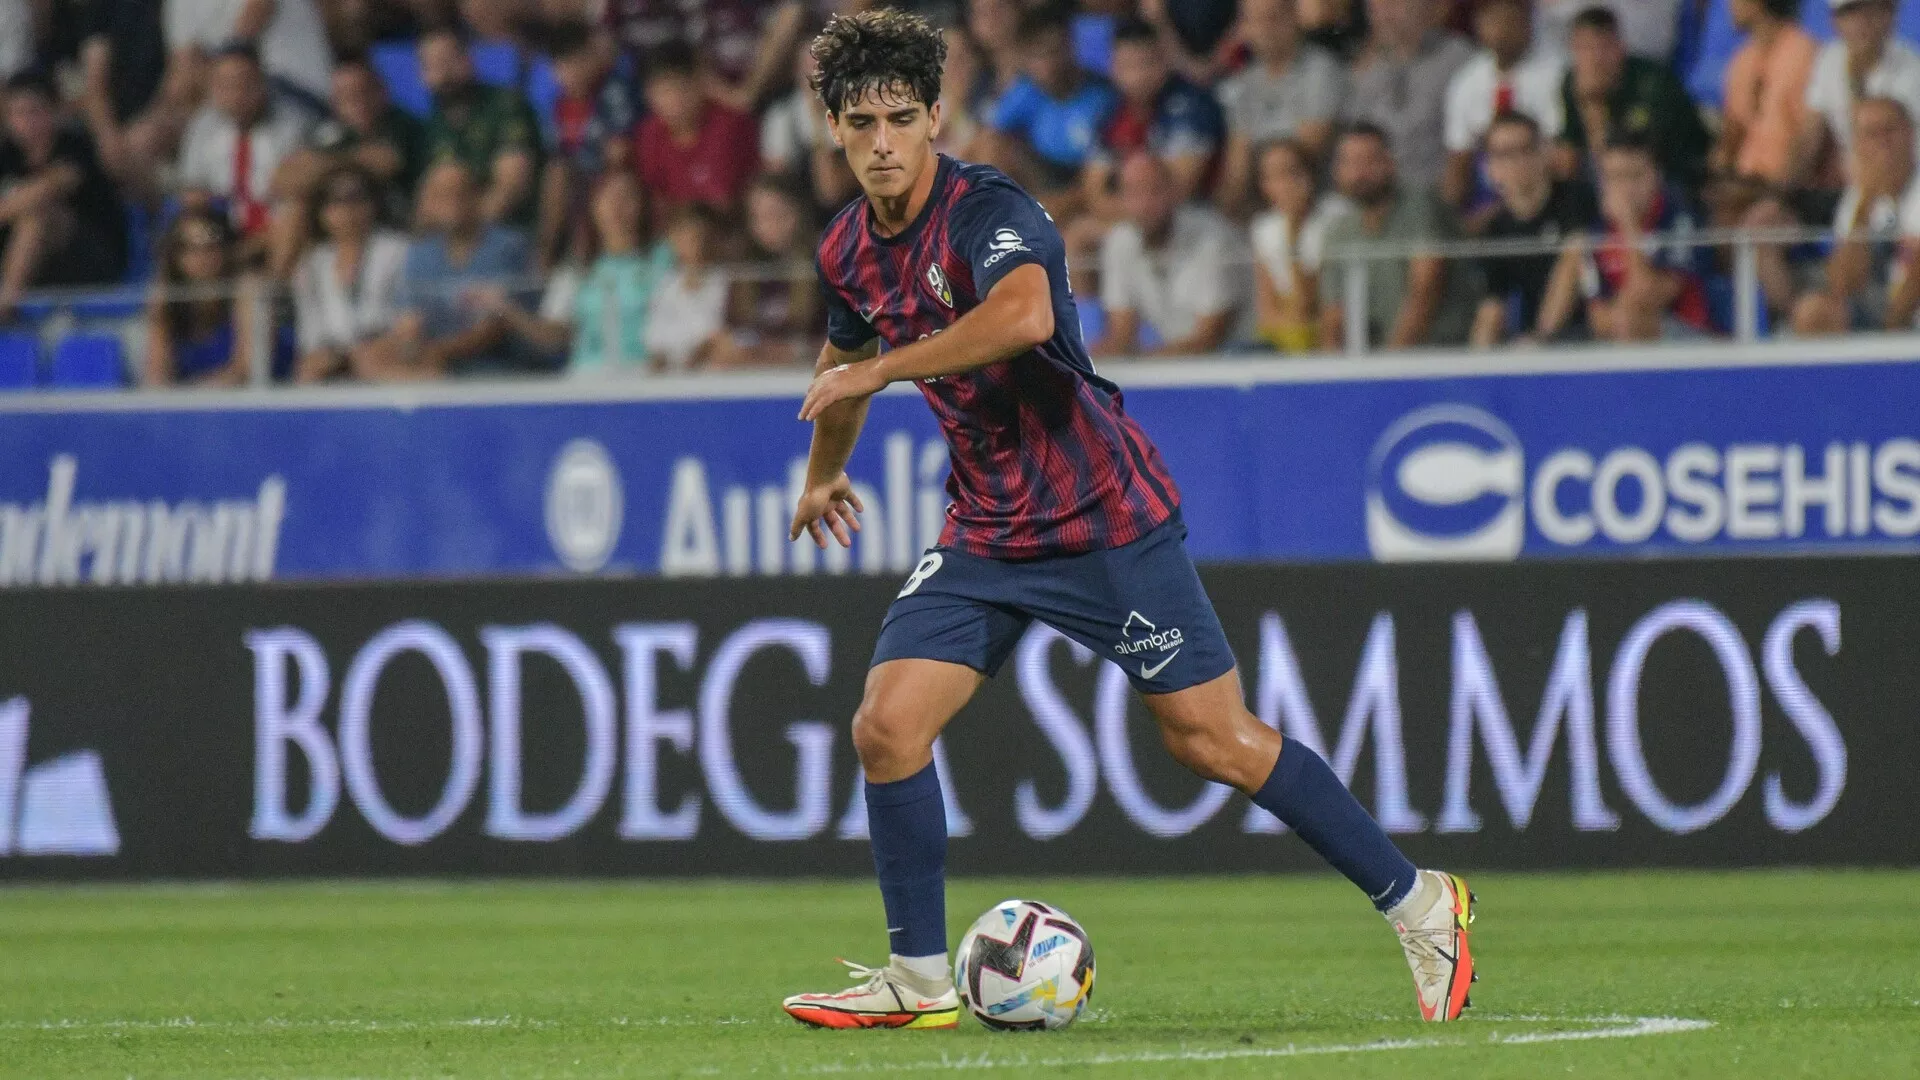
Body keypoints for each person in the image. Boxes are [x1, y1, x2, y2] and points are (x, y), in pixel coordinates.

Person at [779, 10, 1476, 1032]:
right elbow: (836, 379)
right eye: (858, 121)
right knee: (886, 728)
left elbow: (1018, 317)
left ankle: (1422, 903)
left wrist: (884, 365)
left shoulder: (992, 211)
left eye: (898, 117)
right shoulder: (847, 247)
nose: (880, 141)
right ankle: (919, 978)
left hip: (1102, 516)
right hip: (986, 530)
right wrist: (821, 477)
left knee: (1214, 740)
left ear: (937, 117)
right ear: (832, 129)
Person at [483, 170, 672, 376]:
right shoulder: (576, 269)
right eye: (608, 197)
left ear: (643, 205)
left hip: (647, 378)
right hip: (589, 378)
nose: (617, 206)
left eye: (627, 196)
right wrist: (505, 309)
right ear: (593, 205)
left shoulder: (664, 260)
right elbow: (556, 335)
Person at [1766, 98, 1920, 335]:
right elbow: (1844, 284)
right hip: (1878, 307)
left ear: (1911, 134)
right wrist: (1867, 201)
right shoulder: (1858, 196)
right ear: (1857, 144)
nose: (1883, 142)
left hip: (1907, 315)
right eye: (1872, 133)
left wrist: (1890, 335)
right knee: (1814, 312)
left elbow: (1914, 280)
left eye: (1890, 130)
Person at [1318, 122, 1478, 349]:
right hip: (1370, 363)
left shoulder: (1421, 207)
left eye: (1368, 161)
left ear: (1390, 163)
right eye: (1349, 162)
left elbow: (1424, 293)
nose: (1358, 172)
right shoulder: (1339, 230)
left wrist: (1389, 365)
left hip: (1440, 354)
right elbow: (1333, 317)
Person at [365, 159, 530, 379]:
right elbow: (409, 321)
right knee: (369, 355)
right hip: (433, 364)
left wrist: (438, 352)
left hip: (496, 369)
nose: (451, 203)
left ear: (477, 196)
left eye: (458, 193)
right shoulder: (420, 253)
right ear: (429, 202)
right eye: (441, 195)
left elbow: (495, 328)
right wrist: (408, 345)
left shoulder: (507, 246)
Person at [270, 58, 428, 278]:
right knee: (294, 207)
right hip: (336, 219)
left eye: (363, 92)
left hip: (392, 217)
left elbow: (384, 163)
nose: (356, 101)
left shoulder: (401, 124)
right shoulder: (328, 131)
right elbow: (282, 181)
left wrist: (323, 164)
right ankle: (278, 289)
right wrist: (347, 160)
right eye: (345, 95)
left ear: (382, 92)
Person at [1554, 134, 1712, 343]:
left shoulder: (1679, 221)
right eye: (1614, 177)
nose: (1625, 188)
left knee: (1629, 321)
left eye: (1634, 176)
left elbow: (1651, 297)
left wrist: (1629, 227)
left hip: (1686, 339)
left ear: (1656, 175)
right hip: (1620, 337)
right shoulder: (1598, 231)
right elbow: (1598, 317)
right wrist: (1620, 315)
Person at [0, 71, 128, 322]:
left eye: (34, 111)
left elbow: (48, 188)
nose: (26, 122)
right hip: (36, 267)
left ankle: (5, 308)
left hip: (91, 258)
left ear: (54, 110)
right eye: (17, 114)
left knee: (38, 215)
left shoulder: (76, 146)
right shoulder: (7, 157)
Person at [1094, 152, 1244, 357]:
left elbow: (1209, 337)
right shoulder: (1120, 241)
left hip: (1239, 358)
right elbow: (1122, 333)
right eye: (1134, 192)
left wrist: (1146, 362)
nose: (1145, 204)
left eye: (1154, 190)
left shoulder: (1213, 238)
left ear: (1174, 192)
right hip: (1173, 362)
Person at [1470, 112, 1597, 347]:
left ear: (1544, 153)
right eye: (1504, 154)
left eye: (1524, 149)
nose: (1515, 162)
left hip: (1588, 335)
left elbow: (1573, 263)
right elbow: (1492, 307)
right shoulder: (1496, 229)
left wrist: (1541, 340)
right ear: (1490, 167)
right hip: (1529, 342)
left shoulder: (1576, 199)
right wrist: (1476, 367)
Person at [1556, 6, 1709, 198]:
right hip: (1607, 180)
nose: (1596, 59)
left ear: (1621, 47)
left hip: (1675, 176)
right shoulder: (1572, 83)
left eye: (1604, 47)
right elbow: (1571, 144)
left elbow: (1637, 155)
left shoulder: (1654, 84)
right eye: (1585, 48)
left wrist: (1594, 107)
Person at [175, 43, 315, 252]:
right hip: (222, 233)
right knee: (187, 229)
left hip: (274, 231)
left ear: (261, 83)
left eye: (244, 83)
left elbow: (297, 186)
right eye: (226, 85)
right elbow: (191, 188)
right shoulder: (202, 127)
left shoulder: (294, 124)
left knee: (295, 213)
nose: (236, 94)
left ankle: (274, 283)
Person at [978, 1, 1119, 209]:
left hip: (1088, 179)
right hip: (1044, 176)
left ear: (1070, 47)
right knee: (994, 146)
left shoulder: (1102, 97)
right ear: (1025, 59)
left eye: (1053, 51)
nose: (1047, 64)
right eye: (1037, 56)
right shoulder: (1026, 91)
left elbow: (1094, 184)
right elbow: (988, 139)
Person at [1214, 0, 1347, 218]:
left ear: (1295, 19)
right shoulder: (1245, 82)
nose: (1265, 29)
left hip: (1318, 205)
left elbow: (1307, 152)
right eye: (1255, 21)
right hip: (1265, 204)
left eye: (1273, 18)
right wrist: (1225, 211)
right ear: (1244, 28)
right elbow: (1237, 168)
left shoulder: (1322, 70)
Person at [1082, 16, 1226, 217]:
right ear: (1113, 68)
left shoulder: (1193, 106)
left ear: (1164, 61)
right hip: (1127, 222)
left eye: (1146, 63)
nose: (1137, 76)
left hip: (1191, 218)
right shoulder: (1108, 112)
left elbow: (1181, 191)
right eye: (1127, 66)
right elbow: (1094, 193)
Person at [1441, 0, 1565, 221]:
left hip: (1543, 195)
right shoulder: (1467, 81)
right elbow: (1458, 158)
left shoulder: (1556, 74)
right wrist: (1452, 219)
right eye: (1492, 19)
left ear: (1528, 21)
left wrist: (1512, 204)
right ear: (1479, 25)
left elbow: (1560, 159)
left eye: (1510, 19)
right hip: (1486, 196)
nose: (1501, 29)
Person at [534, 20, 639, 270]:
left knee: (592, 186)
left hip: (619, 177)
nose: (571, 72)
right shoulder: (558, 105)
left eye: (577, 62)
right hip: (577, 184)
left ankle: (593, 259)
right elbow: (558, 158)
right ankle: (548, 250)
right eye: (562, 65)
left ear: (592, 57)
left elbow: (619, 153)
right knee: (556, 175)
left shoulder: (615, 90)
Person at [291, 164, 410, 382]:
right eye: (336, 200)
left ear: (374, 204)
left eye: (357, 197)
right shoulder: (312, 263)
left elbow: (406, 318)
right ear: (321, 211)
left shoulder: (398, 251)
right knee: (307, 371)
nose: (347, 208)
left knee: (372, 362)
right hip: (335, 355)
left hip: (383, 349)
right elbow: (310, 333)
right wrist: (332, 356)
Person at [1341, 0, 1475, 193]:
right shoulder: (1366, 69)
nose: (1385, 14)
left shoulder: (1459, 59)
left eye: (1394, 4)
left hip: (1438, 195)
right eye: (1376, 7)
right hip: (1378, 198)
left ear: (1423, 6)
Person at [418, 28, 542, 228]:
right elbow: (427, 199)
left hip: (509, 230)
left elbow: (511, 188)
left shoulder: (506, 104)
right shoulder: (432, 122)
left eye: (450, 60)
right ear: (422, 75)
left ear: (469, 60)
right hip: (451, 238)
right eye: (433, 65)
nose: (444, 73)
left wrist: (466, 237)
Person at [1791, 0, 1920, 191]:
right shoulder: (1829, 59)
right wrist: (1783, 192)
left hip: (1900, 188)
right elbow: (1810, 136)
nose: (1861, 22)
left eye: (1871, 11)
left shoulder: (1912, 71)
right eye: (1850, 13)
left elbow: (1897, 155)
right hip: (1848, 187)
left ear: (1890, 15)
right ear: (1834, 21)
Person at [142, 208, 271, 386]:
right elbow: (156, 375)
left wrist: (194, 395)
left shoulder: (247, 289)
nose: (202, 257)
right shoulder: (166, 297)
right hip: (194, 402)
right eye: (190, 248)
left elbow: (246, 369)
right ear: (176, 257)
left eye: (211, 246)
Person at [632, 40, 761, 217]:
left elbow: (728, 201)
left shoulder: (730, 125)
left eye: (681, 88)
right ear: (649, 95)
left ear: (700, 84)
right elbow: (658, 204)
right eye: (664, 91)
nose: (674, 100)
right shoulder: (650, 134)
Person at [1250, 138, 1344, 353]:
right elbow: (1267, 309)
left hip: (1325, 333)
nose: (1285, 183)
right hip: (1286, 334)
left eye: (1291, 172)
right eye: (1273, 175)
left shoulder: (1335, 216)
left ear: (1309, 175)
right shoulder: (1263, 228)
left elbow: (1310, 300)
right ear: (1264, 186)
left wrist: (1294, 229)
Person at [721, 176, 822, 368]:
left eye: (775, 214)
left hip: (805, 373)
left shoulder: (819, 266)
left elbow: (838, 339)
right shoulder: (744, 270)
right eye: (758, 217)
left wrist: (795, 350)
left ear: (797, 213)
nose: (767, 224)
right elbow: (729, 333)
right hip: (752, 374)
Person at [643, 203, 728, 372]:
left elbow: (716, 331)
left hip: (711, 374)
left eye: (698, 236)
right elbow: (654, 335)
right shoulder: (666, 285)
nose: (693, 243)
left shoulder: (723, 281)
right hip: (670, 376)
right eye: (683, 236)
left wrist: (697, 356)